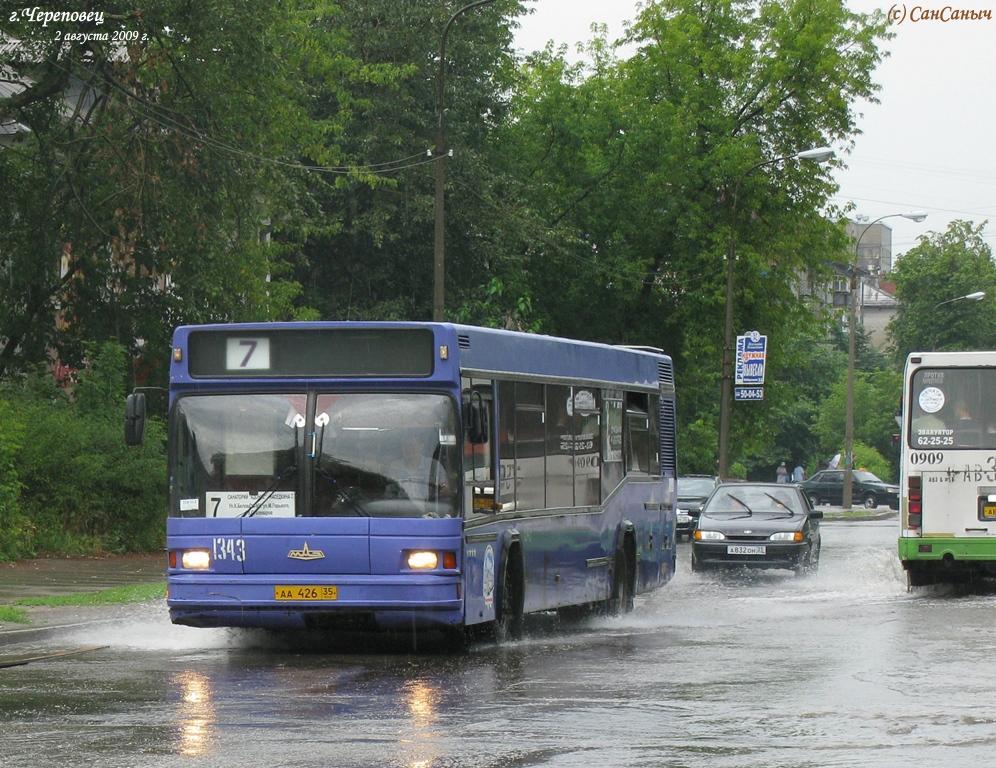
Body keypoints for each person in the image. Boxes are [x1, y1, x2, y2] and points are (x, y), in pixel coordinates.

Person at [389, 431, 449, 505]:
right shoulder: (395, 466)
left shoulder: (433, 466)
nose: (408, 449)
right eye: (405, 445)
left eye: (412, 445)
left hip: (429, 510)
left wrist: (442, 490)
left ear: (421, 446)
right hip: (401, 509)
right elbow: (388, 492)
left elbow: (445, 489)